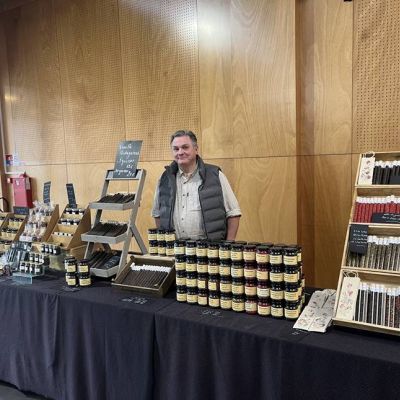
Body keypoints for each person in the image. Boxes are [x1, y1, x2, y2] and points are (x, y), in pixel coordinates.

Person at [151, 130, 241, 240]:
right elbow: (157, 214)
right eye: (176, 149)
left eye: (185, 147)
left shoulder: (215, 175)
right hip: (175, 248)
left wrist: (229, 245)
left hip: (210, 248)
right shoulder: (164, 179)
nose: (180, 152)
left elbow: (233, 213)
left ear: (196, 149)